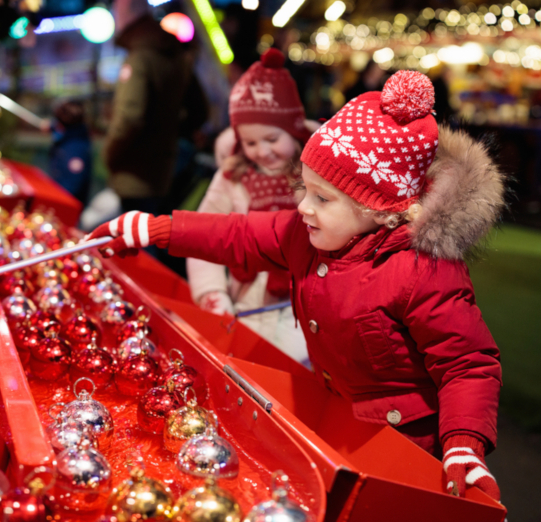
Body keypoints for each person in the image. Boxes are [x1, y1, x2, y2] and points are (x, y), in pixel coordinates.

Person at [88, 70, 505, 501]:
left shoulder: (423, 271)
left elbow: (467, 363)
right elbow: (238, 235)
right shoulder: (305, 235)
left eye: (322, 198)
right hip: (339, 422)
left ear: (382, 211)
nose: (303, 207)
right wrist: (156, 229)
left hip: (408, 447)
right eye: (305, 190)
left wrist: (463, 444)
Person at [187, 49, 314, 365]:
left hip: (303, 306)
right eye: (251, 142)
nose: (262, 151)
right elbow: (203, 236)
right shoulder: (232, 176)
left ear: (295, 130)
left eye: (272, 138)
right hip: (244, 302)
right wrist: (211, 292)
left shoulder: (315, 176)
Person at [103, 0, 192, 215]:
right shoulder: (177, 56)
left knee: (135, 240)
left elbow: (130, 118)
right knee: (153, 235)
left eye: (117, 12)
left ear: (126, 14)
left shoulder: (140, 57)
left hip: (135, 173)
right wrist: (167, 134)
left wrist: (109, 155)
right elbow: (199, 111)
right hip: (164, 171)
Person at [48, 99, 92, 206]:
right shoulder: (72, 134)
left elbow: (72, 186)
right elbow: (57, 129)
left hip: (66, 204)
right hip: (58, 195)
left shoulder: (76, 148)